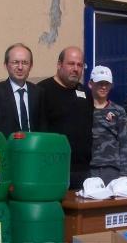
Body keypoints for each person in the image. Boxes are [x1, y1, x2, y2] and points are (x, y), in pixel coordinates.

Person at [38, 46, 93, 188]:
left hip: (83, 171)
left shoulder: (85, 92)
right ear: (59, 64)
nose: (75, 68)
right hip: (53, 170)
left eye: (80, 65)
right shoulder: (42, 91)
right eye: (71, 63)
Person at [0, 43, 44, 137]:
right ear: (6, 65)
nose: (20, 67)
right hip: (6, 149)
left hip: (33, 148)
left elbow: (43, 127)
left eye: (25, 63)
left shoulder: (39, 93)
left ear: (31, 66)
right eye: (15, 62)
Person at [88, 65, 127, 183]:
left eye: (107, 83)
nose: (103, 86)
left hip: (112, 170)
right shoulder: (83, 108)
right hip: (89, 169)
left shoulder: (118, 110)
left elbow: (124, 143)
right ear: (91, 84)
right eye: (100, 83)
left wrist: (124, 173)